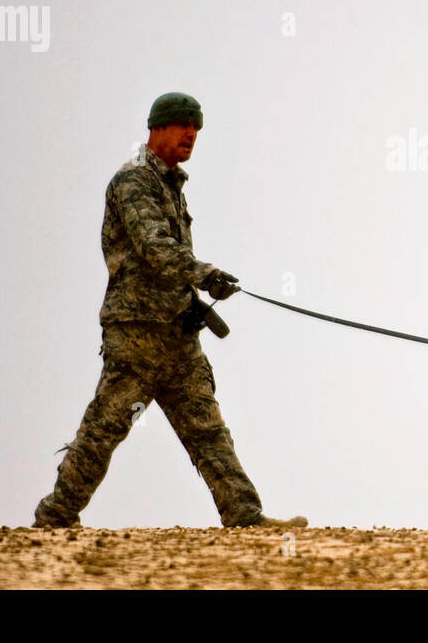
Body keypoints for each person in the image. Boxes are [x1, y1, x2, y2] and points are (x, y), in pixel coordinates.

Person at [33, 92, 306, 529]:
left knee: (208, 429)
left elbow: (165, 260)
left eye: (196, 128)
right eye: (182, 125)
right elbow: (155, 248)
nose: (191, 135)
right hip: (137, 336)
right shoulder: (133, 181)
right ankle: (55, 516)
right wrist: (206, 274)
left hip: (177, 335)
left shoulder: (170, 185)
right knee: (104, 430)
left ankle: (244, 514)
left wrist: (193, 299)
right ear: (156, 128)